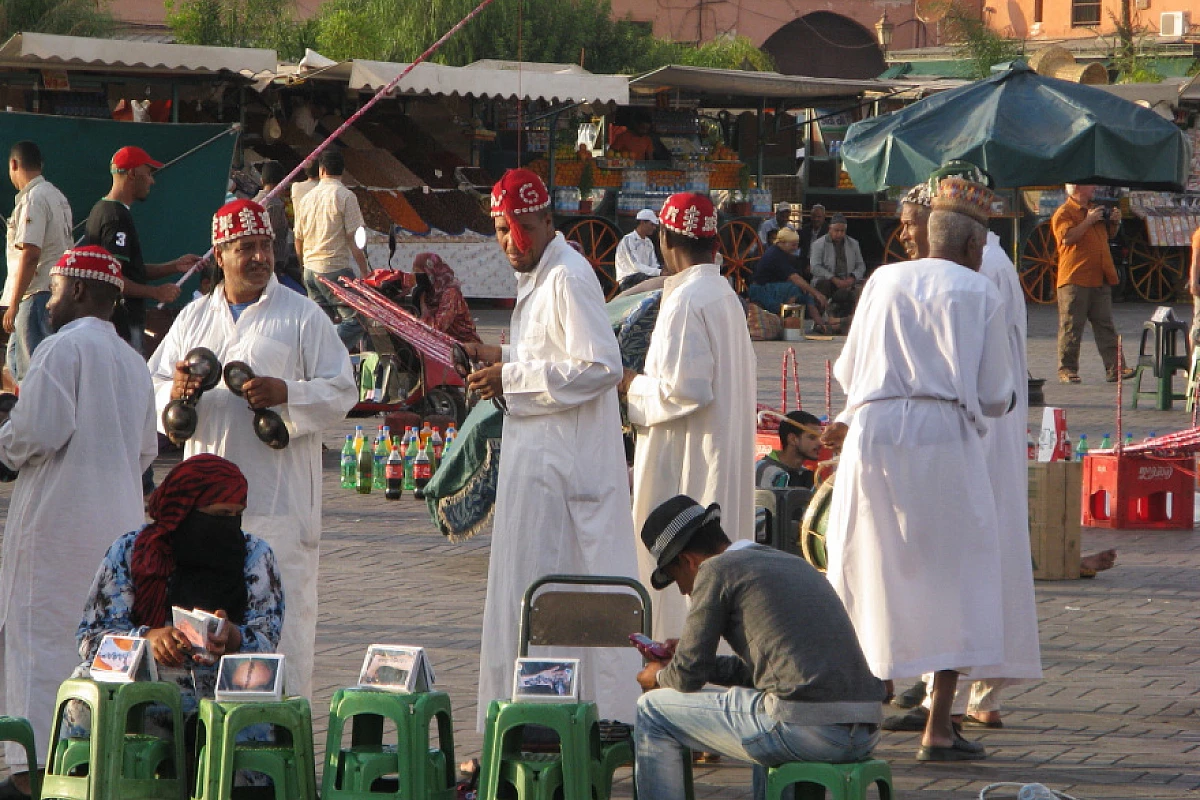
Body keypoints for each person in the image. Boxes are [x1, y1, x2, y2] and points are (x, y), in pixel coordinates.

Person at [820, 174, 1015, 762]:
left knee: (866, 564)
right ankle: (937, 723)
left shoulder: (881, 280)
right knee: (960, 571)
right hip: (942, 438)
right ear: (975, 247)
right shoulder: (981, 293)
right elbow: (993, 395)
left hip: (874, 436)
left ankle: (849, 714)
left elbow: (848, 373)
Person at [147, 199, 357, 700]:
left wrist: (289, 394)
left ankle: (283, 761)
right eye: (246, 248)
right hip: (204, 521)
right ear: (220, 253)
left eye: (266, 246)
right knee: (206, 639)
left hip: (278, 509)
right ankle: (212, 759)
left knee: (281, 641)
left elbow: (344, 389)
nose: (260, 257)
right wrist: (174, 394)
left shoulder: (302, 315)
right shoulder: (194, 318)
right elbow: (151, 383)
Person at [462, 168, 639, 730]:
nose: (512, 241)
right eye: (500, 230)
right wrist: (499, 352)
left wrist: (509, 378)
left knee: (556, 602)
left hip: (566, 480)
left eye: (521, 228)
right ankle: (521, 724)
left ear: (546, 222)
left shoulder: (567, 276)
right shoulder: (539, 276)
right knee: (522, 597)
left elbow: (600, 365)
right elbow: (551, 349)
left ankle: (563, 727)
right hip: (535, 471)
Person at [880, 164, 1042, 734]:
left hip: (970, 430)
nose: (907, 237)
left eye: (910, 225)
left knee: (955, 562)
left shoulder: (981, 269)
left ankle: (962, 693)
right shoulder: (968, 267)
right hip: (961, 423)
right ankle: (943, 691)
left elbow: (987, 380)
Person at [0, 246, 158, 798]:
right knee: (99, 650)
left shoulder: (61, 349)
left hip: (56, 530)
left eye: (60, 288)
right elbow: (144, 452)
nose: (51, 299)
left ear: (86, 293)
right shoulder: (132, 362)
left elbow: (33, 433)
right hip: (116, 526)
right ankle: (92, 762)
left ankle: (34, 773)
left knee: (42, 649)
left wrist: (5, 436)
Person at [633, 495, 884, 800]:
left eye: (676, 579)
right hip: (866, 728)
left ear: (687, 561)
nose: (684, 590)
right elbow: (771, 675)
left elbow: (687, 677)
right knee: (762, 711)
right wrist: (685, 659)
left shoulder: (715, 571)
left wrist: (657, 677)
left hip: (807, 728)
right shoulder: (792, 564)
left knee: (652, 711)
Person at [618, 191, 756, 641]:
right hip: (717, 453)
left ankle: (677, 667)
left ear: (664, 240)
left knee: (682, 580)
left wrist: (630, 384)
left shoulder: (687, 300)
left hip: (688, 466)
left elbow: (685, 389)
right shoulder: (723, 294)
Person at [76, 454, 284, 722]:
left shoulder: (254, 556)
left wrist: (233, 637)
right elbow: (91, 638)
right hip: (144, 688)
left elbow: (268, 640)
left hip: (226, 692)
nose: (229, 525)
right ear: (184, 513)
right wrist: (148, 639)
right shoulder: (131, 552)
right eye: (220, 515)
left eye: (236, 515)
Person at [83, 145, 201, 354]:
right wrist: (156, 292)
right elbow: (113, 277)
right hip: (121, 323)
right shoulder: (116, 217)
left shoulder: (100, 210)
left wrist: (175, 266)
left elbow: (128, 270)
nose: (152, 181)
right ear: (132, 173)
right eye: (148, 173)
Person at [4, 141, 72, 382]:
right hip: (56, 292)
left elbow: (31, 254)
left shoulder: (34, 198)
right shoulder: (57, 196)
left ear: (13, 164)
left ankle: (34, 418)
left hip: (36, 294)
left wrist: (14, 303)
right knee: (15, 360)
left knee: (32, 375)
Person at [1051, 184, 1132, 384]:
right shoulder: (1064, 213)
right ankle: (1067, 369)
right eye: (1090, 186)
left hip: (1100, 277)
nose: (1094, 188)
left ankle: (1116, 368)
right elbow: (1067, 238)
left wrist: (1114, 222)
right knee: (1072, 325)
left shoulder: (1095, 210)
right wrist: (1088, 221)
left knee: (1105, 325)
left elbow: (1109, 236)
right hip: (1075, 277)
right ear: (1077, 188)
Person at [293, 148, 371, 350]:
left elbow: (298, 239)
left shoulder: (306, 199)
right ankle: (326, 351)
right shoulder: (345, 196)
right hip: (334, 269)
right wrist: (365, 272)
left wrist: (304, 267)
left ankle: (316, 358)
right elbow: (354, 239)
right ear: (342, 171)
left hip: (310, 270)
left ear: (321, 170)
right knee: (359, 319)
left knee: (320, 324)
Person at [747, 228, 838, 332]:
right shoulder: (775, 254)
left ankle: (820, 323)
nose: (795, 248)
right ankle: (786, 323)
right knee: (795, 288)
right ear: (782, 243)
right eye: (793, 245)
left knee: (804, 294)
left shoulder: (783, 254)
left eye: (796, 245)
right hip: (761, 291)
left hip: (773, 288)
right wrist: (817, 293)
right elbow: (794, 277)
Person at [392, 252, 482, 343]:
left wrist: (423, 307)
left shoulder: (450, 293)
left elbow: (437, 328)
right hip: (439, 343)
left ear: (431, 271)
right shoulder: (427, 292)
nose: (417, 276)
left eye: (419, 272)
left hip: (463, 345)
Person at [809, 213, 865, 318]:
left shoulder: (853, 243)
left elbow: (861, 265)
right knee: (823, 285)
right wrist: (833, 278)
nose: (839, 234)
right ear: (830, 229)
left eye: (842, 231)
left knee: (861, 291)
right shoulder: (818, 244)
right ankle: (819, 320)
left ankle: (850, 321)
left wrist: (852, 278)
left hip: (848, 280)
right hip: (828, 281)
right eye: (836, 230)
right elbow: (815, 267)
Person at [756, 410, 821, 489]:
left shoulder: (810, 476)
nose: (820, 443)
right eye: (812, 438)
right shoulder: (766, 471)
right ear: (792, 439)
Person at [253, 160, 295, 278]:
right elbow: (270, 236)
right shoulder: (274, 204)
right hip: (273, 262)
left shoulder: (255, 201)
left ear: (262, 180)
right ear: (283, 181)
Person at [614, 209, 661, 292]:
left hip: (644, 276)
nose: (654, 228)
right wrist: (659, 272)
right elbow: (636, 266)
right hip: (628, 279)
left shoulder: (648, 242)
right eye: (652, 225)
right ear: (642, 222)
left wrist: (660, 272)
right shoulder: (628, 240)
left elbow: (653, 264)